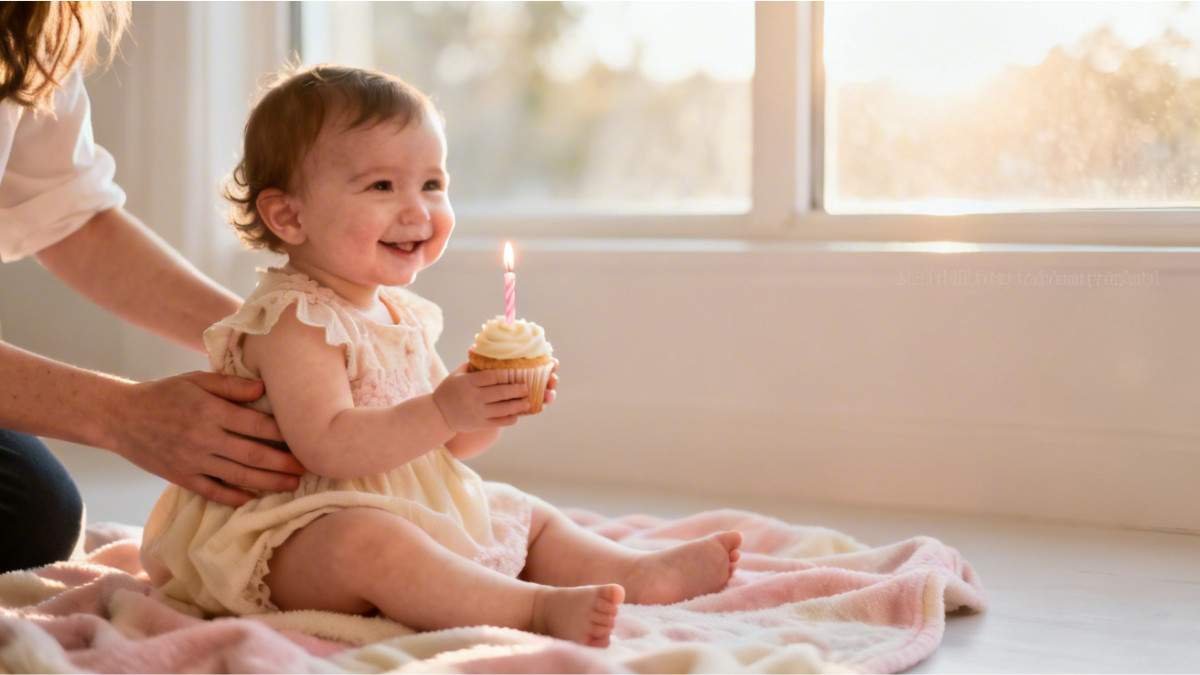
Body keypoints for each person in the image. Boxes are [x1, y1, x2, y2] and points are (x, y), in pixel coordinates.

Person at [139, 64, 743, 647]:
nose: (417, 209)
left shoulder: (400, 313)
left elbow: (449, 447)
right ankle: (530, 608)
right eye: (381, 186)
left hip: (402, 503)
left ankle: (633, 573)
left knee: (518, 512)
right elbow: (328, 445)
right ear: (289, 215)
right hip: (294, 531)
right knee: (372, 545)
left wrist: (485, 410)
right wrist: (444, 409)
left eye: (432, 183)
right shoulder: (295, 319)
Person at [0, 2, 305, 573]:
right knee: (30, 520)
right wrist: (120, 414)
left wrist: (265, 335)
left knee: (32, 511)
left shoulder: (31, 18)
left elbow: (69, 215)